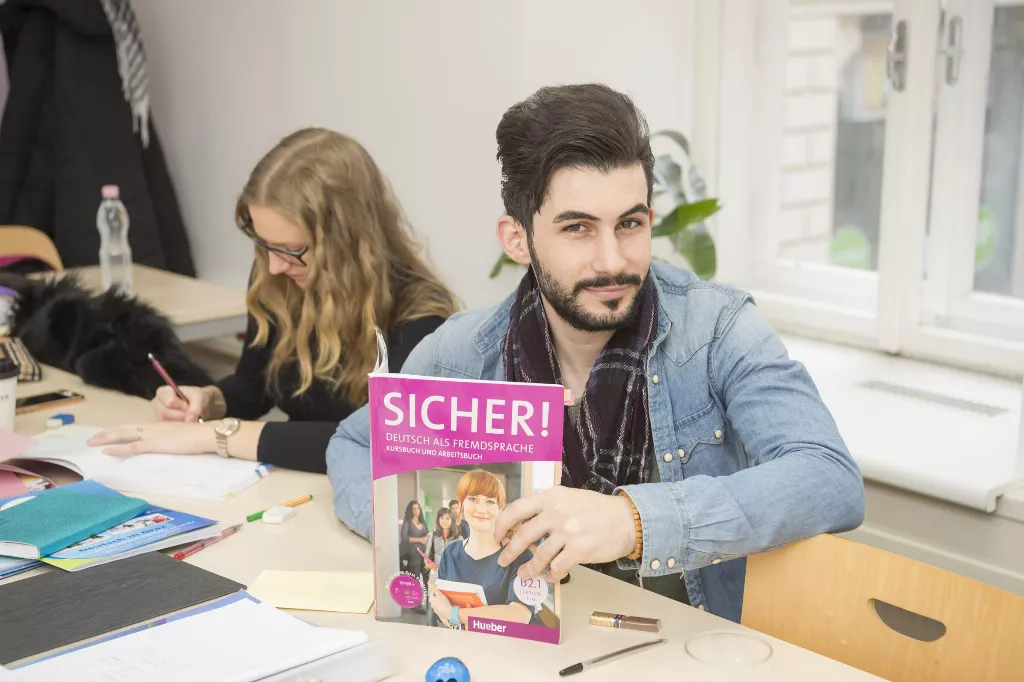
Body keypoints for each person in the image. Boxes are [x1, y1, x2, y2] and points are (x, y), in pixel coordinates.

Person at [326, 84, 865, 623]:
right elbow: (353, 445)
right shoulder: (459, 354)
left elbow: (829, 478)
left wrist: (632, 521)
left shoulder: (717, 329)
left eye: (629, 224)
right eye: (578, 228)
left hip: (690, 646)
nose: (612, 261)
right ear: (517, 239)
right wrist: (403, 534)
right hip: (526, 641)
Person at [87, 128, 458, 472]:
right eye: (264, 245)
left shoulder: (420, 317)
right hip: (288, 481)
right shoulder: (279, 277)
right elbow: (258, 383)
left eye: (292, 250)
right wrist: (211, 400)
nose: (275, 266)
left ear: (348, 242)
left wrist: (215, 435)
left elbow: (380, 440)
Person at [428, 469, 536, 629]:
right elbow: (442, 612)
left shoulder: (520, 555)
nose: (481, 509)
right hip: (459, 641)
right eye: (473, 499)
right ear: (461, 505)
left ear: (500, 508)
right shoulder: (450, 553)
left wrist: (454, 614)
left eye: (490, 501)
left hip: (505, 644)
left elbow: (520, 615)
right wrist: (445, 611)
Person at [426, 507, 461, 582]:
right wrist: (428, 565)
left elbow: (462, 561)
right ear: (438, 520)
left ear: (452, 520)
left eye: (447, 518)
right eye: (442, 518)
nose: (444, 521)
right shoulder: (433, 535)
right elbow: (426, 556)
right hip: (435, 575)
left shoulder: (459, 539)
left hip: (452, 577)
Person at [400, 501, 429, 578]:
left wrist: (428, 536)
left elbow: (427, 533)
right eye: (414, 509)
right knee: (416, 575)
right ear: (411, 510)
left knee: (427, 573)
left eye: (418, 508)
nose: (416, 511)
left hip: (423, 550)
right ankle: (415, 583)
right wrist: (420, 540)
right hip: (412, 550)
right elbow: (404, 538)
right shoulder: (407, 521)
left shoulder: (422, 521)